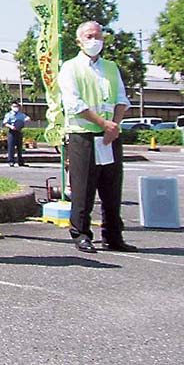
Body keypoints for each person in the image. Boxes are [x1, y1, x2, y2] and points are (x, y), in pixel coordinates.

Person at [57, 20, 137, 253]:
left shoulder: (111, 67)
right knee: (83, 188)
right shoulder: (70, 67)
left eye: (98, 37)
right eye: (89, 36)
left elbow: (121, 99)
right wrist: (102, 123)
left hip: (109, 135)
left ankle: (113, 235)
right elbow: (74, 103)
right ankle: (81, 233)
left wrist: (113, 126)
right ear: (79, 40)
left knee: (112, 187)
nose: (95, 41)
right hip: (83, 134)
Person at [2, 100, 29, 167]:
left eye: (17, 106)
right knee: (11, 147)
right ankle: (11, 161)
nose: (16, 107)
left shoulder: (21, 114)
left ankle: (20, 161)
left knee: (20, 147)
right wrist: (11, 126)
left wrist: (27, 119)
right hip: (12, 132)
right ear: (11, 107)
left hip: (19, 131)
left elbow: (27, 118)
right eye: (14, 106)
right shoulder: (8, 115)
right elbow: (5, 123)